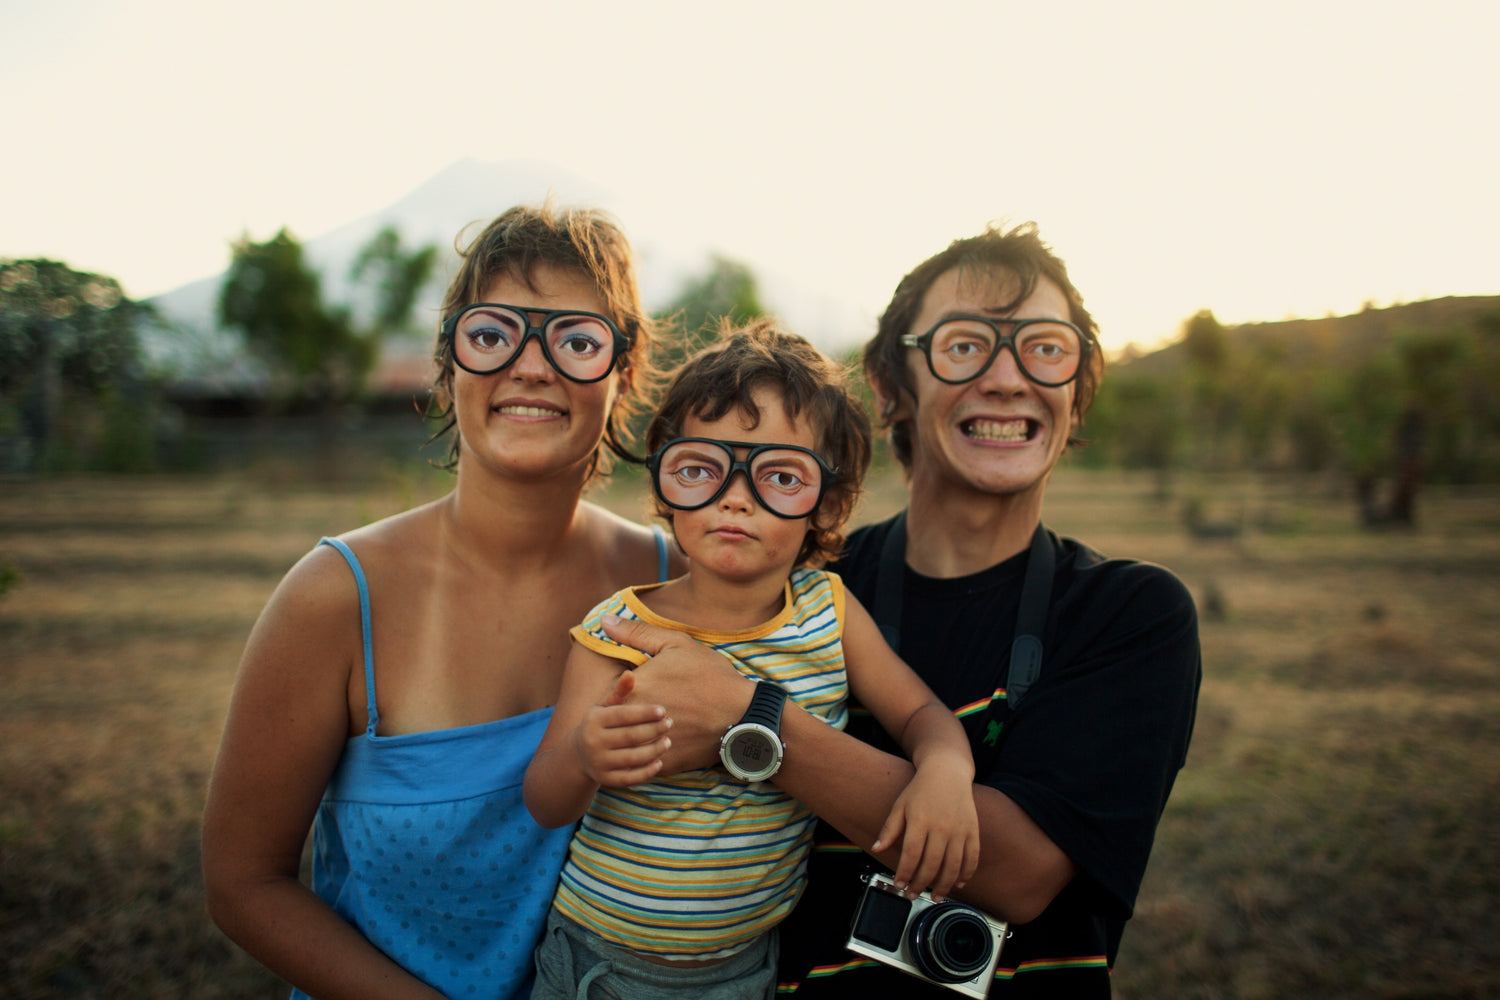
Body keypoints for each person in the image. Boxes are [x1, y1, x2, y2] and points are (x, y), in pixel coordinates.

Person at [602, 224, 1202, 997]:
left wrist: (751, 720)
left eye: (1046, 349)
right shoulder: (797, 587)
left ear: (1078, 387)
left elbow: (1017, 872)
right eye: (964, 345)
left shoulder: (1130, 614)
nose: (1008, 378)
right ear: (888, 385)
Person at [200, 202, 685, 1000]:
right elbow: (243, 883)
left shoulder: (675, 585)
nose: (532, 367)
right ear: (448, 361)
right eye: (492, 335)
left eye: (576, 341)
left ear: (623, 372)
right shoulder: (336, 597)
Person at [522, 319, 982, 999]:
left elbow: (919, 712)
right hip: (594, 963)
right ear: (666, 483)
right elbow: (543, 799)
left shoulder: (830, 612)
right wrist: (586, 758)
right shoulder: (620, 628)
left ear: (827, 503)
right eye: (700, 469)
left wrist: (946, 768)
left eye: (780, 475)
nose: (735, 498)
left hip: (746, 970)